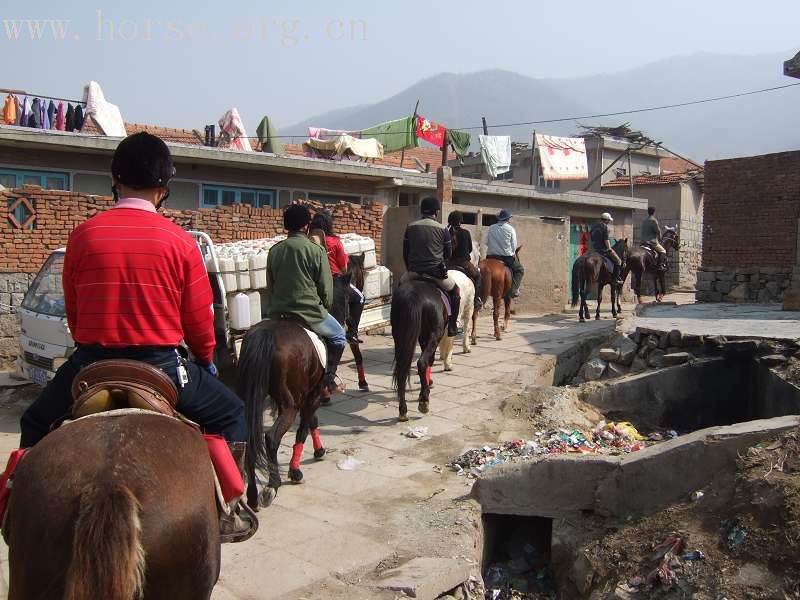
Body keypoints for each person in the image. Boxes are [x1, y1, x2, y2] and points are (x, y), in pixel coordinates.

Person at [18, 131, 252, 542]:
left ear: (115, 180)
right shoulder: (181, 242)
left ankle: (16, 506)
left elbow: (74, 312)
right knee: (231, 412)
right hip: (161, 366)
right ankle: (230, 507)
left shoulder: (82, 235)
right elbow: (199, 321)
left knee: (34, 420)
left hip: (91, 365)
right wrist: (204, 357)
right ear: (163, 188)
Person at [266, 204, 346, 402]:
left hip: (279, 312)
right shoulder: (316, 250)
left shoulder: (274, 251)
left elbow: (271, 285)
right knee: (339, 336)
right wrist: (324, 307)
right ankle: (328, 380)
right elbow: (326, 290)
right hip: (308, 312)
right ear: (305, 226)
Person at [400, 197, 461, 337]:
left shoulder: (410, 227)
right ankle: (452, 325)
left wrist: (410, 268)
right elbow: (448, 253)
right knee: (456, 291)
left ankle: (397, 321)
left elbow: (405, 252)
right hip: (436, 273)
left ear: (422, 210)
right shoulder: (443, 229)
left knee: (399, 290)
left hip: (414, 272)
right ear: (436, 211)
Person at [310, 210, 365, 344]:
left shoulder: (309, 242)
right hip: (335, 281)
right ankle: (352, 332)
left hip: (313, 282)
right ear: (329, 225)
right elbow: (344, 268)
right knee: (360, 299)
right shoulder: (335, 242)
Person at [446, 211, 482, 309]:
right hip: (464, 263)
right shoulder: (466, 233)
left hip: (449, 263)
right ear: (460, 221)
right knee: (478, 276)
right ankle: (477, 300)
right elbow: (470, 249)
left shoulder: (446, 232)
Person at [485, 209, 525, 298]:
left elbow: (486, 242)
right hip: (506, 258)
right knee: (520, 270)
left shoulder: (491, 227)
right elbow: (514, 246)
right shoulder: (510, 229)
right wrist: (510, 251)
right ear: (507, 219)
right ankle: (514, 291)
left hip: (490, 257)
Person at [590, 212, 623, 285]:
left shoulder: (594, 226)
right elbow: (606, 240)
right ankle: (615, 279)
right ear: (606, 220)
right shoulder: (604, 227)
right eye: (608, 221)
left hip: (595, 249)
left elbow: (592, 238)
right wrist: (609, 249)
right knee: (618, 261)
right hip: (603, 250)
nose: (608, 222)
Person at [641, 206, 667, 272]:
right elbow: (658, 231)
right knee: (663, 251)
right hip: (652, 242)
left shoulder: (644, 220)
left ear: (648, 212)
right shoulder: (653, 220)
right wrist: (660, 238)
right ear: (654, 212)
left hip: (643, 242)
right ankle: (660, 265)